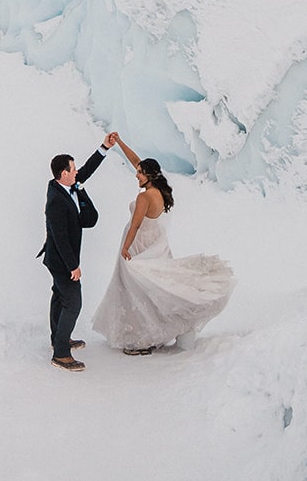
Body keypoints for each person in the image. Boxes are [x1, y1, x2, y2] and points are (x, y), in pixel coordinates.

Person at [92, 132, 235, 356]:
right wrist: (119, 142)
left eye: (140, 173)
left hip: (138, 247)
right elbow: (136, 160)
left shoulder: (144, 197)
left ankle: (140, 340)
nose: (136, 175)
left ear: (148, 175)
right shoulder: (158, 191)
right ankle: (154, 333)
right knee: (153, 290)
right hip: (155, 245)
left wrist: (125, 249)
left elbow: (135, 226)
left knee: (134, 291)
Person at [40, 133, 116, 372]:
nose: (77, 172)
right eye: (73, 170)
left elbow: (87, 170)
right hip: (61, 260)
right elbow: (60, 238)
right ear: (64, 174)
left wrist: (104, 147)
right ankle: (61, 354)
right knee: (73, 302)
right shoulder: (56, 201)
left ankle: (58, 339)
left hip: (59, 259)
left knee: (59, 297)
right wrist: (73, 266)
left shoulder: (64, 185)